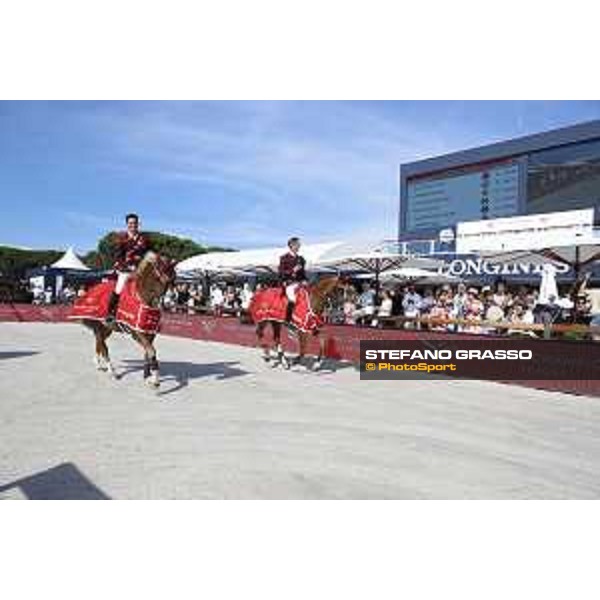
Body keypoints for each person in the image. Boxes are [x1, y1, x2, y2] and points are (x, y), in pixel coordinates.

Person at [106, 213, 150, 324]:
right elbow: (118, 256)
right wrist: (124, 266)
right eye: (130, 223)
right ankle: (110, 314)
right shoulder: (122, 238)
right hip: (126, 269)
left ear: (138, 224)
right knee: (119, 288)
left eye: (134, 223)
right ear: (127, 224)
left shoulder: (143, 238)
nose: (133, 225)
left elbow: (146, 254)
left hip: (140, 270)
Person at [278, 237, 307, 324]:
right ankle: (288, 319)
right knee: (292, 297)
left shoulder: (301, 259)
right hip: (289, 283)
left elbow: (302, 273)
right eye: (297, 245)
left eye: (299, 245)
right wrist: (292, 270)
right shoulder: (284, 258)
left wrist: (305, 280)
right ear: (291, 245)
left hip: (299, 283)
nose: (299, 246)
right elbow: (281, 272)